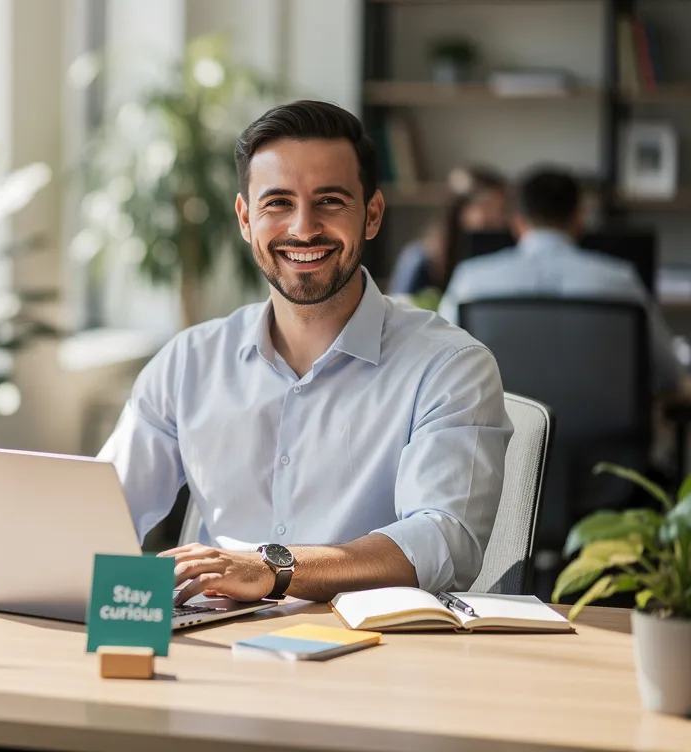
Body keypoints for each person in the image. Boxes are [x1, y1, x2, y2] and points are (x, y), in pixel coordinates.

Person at [99, 100, 512, 606]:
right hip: (214, 638)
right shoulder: (189, 361)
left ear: (372, 215)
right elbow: (101, 513)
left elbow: (443, 541)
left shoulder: (450, 366)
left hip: (375, 643)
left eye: (330, 201)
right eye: (278, 203)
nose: (303, 228)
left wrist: (270, 568)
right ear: (245, 218)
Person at [439, 167, 682, 393]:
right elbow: (670, 371)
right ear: (579, 218)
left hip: (508, 424)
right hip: (600, 425)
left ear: (517, 221)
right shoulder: (621, 281)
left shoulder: (470, 280)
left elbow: (443, 364)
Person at [388, 165, 508, 296]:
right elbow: (399, 301)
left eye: (503, 209)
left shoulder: (507, 251)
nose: (498, 218)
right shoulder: (420, 258)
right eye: (488, 207)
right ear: (462, 208)